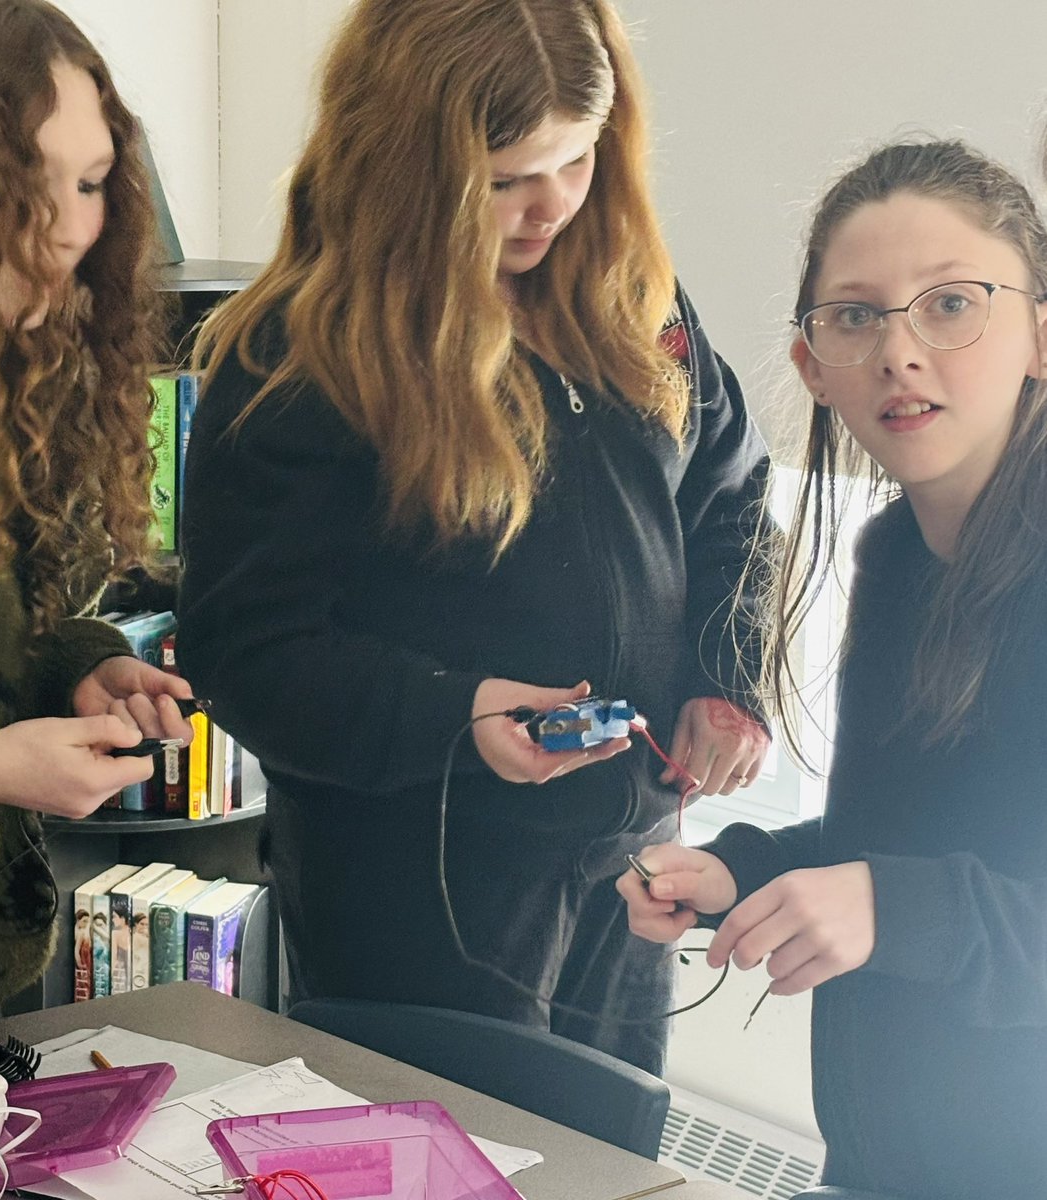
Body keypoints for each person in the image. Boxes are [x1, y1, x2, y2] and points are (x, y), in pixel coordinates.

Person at [177, 0, 771, 1074]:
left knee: (606, 1172)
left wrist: (725, 680)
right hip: (417, 889)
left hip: (626, 862)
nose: (550, 207)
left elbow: (732, 502)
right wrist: (457, 715)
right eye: (503, 181)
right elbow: (246, 653)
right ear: (407, 167)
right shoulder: (296, 353)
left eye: (577, 161)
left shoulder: (638, 300)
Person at [618, 138, 1047, 1197]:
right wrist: (740, 874)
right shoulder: (895, 552)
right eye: (854, 316)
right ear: (810, 364)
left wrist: (889, 908)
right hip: (876, 1163)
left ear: (1039, 329)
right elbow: (895, 843)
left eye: (950, 304)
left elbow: (912, 896)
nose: (898, 353)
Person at [0, 0, 195, 1021]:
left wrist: (74, 670)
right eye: (19, 188)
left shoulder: (14, 375)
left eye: (92, 182)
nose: (68, 226)